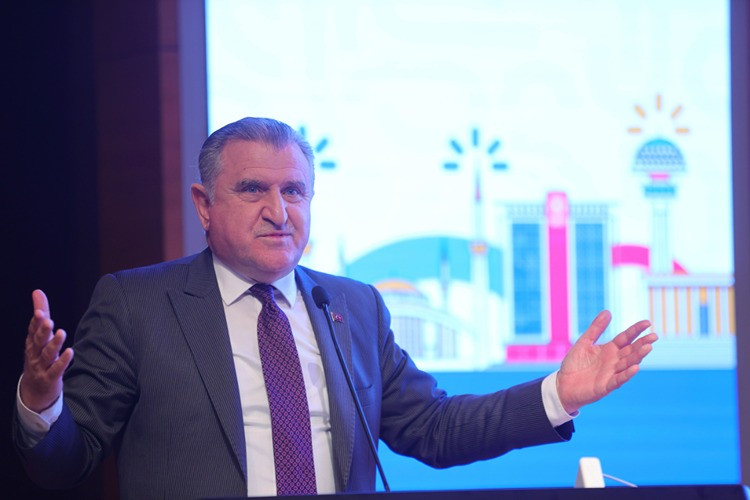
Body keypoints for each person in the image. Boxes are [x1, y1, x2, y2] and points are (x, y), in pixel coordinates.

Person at [15, 117, 657, 499]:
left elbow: (433, 428)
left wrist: (557, 394)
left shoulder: (352, 306)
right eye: (253, 190)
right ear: (204, 205)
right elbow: (68, 460)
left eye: (295, 191)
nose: (279, 211)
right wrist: (43, 404)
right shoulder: (138, 303)